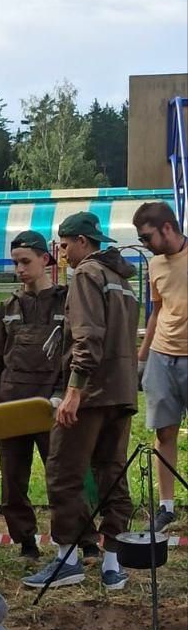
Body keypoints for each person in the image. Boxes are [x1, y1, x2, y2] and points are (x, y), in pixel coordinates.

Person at [24, 213, 139, 592]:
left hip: (91, 393)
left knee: (64, 471)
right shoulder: (122, 280)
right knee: (112, 473)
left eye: (66, 243)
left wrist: (74, 390)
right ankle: (112, 565)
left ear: (83, 242)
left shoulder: (87, 275)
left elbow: (87, 338)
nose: (62, 252)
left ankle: (67, 561)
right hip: (122, 392)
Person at [0, 231, 68, 558]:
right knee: (13, 481)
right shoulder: (6, 308)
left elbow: (73, 356)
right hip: (12, 407)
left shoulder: (66, 303)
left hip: (51, 406)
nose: (20, 269)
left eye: (26, 261)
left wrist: (62, 395)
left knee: (62, 478)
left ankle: (79, 541)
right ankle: (26, 542)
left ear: (45, 259)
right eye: (15, 262)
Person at [134, 201, 187, 531]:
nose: (144, 244)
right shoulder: (155, 265)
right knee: (164, 431)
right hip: (161, 356)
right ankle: (166, 507)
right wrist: (142, 358)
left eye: (146, 237)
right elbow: (156, 311)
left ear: (167, 227)